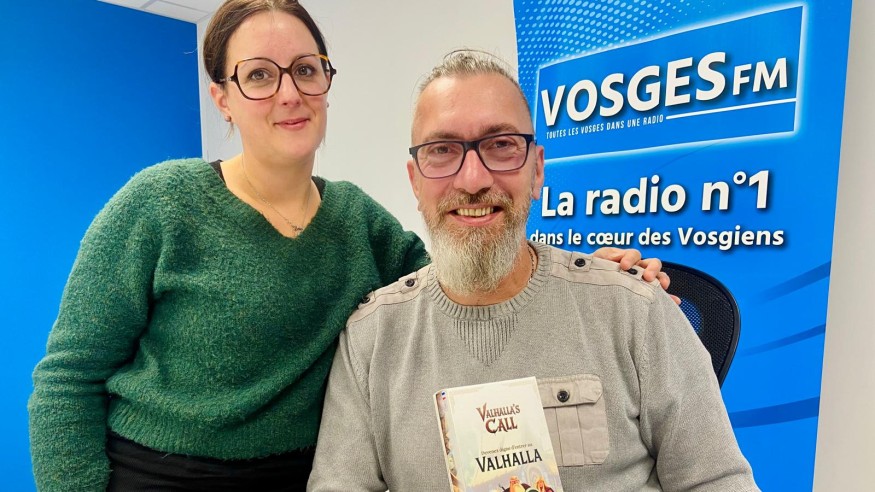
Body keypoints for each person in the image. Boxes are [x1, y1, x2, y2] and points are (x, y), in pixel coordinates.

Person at [27, 2, 666, 491]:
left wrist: (578, 272)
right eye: (259, 75)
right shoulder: (160, 204)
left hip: (308, 476)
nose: (289, 93)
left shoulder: (358, 221)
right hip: (159, 476)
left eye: (306, 70)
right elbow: (67, 378)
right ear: (221, 98)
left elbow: (463, 277)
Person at [307, 51, 760, 491]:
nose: (473, 179)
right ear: (415, 180)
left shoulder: (633, 311)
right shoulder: (370, 341)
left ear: (537, 169)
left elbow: (716, 481)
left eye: (501, 145)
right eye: (442, 150)